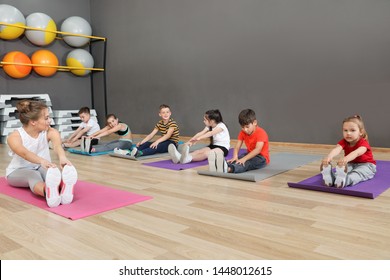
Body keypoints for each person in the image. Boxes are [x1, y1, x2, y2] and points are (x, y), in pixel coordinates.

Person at [6, 100, 78, 208]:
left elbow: (57, 146)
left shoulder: (50, 132)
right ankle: (47, 192)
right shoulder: (14, 137)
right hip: (17, 171)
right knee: (33, 175)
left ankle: (62, 189)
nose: (50, 121)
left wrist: (62, 158)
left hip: (41, 166)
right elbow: (25, 153)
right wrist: (42, 161)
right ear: (33, 122)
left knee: (53, 171)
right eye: (46, 118)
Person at [320, 115, 376, 188]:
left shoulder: (363, 143)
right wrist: (329, 157)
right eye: (345, 130)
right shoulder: (344, 141)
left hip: (367, 165)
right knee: (342, 172)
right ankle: (331, 178)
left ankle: (345, 181)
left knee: (357, 173)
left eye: (352, 130)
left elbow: (356, 153)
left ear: (361, 132)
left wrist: (346, 158)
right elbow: (337, 149)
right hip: (351, 163)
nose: (348, 133)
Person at [215, 108, 269, 173]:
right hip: (249, 154)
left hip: (261, 158)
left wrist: (244, 159)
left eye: (247, 127)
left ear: (255, 123)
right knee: (238, 158)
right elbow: (237, 147)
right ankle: (221, 165)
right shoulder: (242, 132)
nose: (245, 130)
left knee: (246, 163)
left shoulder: (261, 133)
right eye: (242, 127)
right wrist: (235, 157)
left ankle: (229, 169)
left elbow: (257, 150)